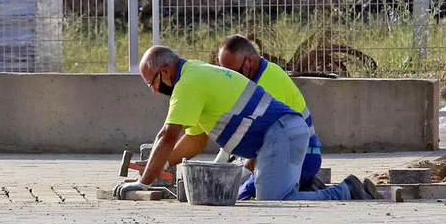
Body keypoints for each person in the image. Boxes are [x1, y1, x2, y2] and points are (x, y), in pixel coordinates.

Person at [116, 46, 363, 201]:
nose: (154, 90)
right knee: (254, 194)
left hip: (284, 133)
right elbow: (195, 140)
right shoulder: (196, 73)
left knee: (272, 199)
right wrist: (160, 164)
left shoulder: (188, 84)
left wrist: (143, 181)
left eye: (152, 83)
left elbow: (167, 136)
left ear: (166, 71)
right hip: (282, 134)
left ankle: (345, 191)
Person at [216, 34, 340, 200]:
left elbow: (271, 138)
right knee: (242, 192)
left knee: (245, 197)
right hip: (288, 154)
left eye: (234, 72)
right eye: (225, 74)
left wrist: (243, 173)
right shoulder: (257, 78)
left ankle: (343, 191)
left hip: (302, 157)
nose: (230, 79)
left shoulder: (268, 84)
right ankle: (306, 189)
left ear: (249, 62)